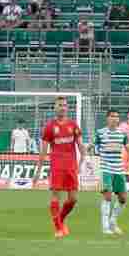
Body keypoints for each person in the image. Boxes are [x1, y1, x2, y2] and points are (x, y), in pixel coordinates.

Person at [37, 97, 82, 238]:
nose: (62, 107)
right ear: (55, 108)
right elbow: (43, 151)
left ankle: (61, 219)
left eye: (64, 105)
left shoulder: (73, 125)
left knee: (73, 199)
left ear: (67, 108)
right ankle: (58, 228)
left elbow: (80, 145)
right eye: (59, 105)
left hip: (71, 166)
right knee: (56, 195)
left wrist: (84, 155)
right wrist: (38, 170)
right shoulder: (49, 127)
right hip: (57, 166)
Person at [91, 109, 129, 236]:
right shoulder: (100, 133)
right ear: (107, 118)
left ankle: (113, 221)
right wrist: (85, 150)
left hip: (119, 170)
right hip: (106, 169)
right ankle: (105, 226)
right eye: (112, 116)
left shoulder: (122, 134)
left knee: (123, 198)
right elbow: (91, 144)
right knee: (107, 196)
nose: (115, 119)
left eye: (117, 117)